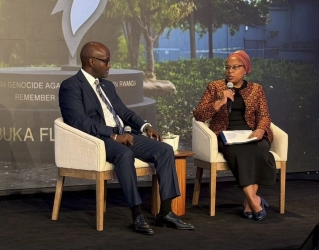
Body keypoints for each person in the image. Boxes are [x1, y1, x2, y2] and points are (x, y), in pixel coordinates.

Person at [59, 41, 194, 235]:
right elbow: (78, 121)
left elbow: (123, 112)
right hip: (97, 139)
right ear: (91, 61)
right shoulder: (71, 86)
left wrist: (146, 126)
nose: (109, 65)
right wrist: (113, 135)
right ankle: (137, 214)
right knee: (124, 154)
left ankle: (165, 212)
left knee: (164, 150)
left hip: (122, 134)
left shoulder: (107, 85)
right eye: (106, 61)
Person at [193, 50, 276, 221]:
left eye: (235, 67)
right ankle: (254, 200)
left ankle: (248, 202)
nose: (230, 71)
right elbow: (199, 115)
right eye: (227, 67)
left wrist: (260, 130)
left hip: (251, 133)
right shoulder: (215, 87)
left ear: (245, 69)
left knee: (260, 149)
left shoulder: (256, 89)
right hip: (226, 135)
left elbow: (264, 116)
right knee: (238, 152)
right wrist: (219, 102)